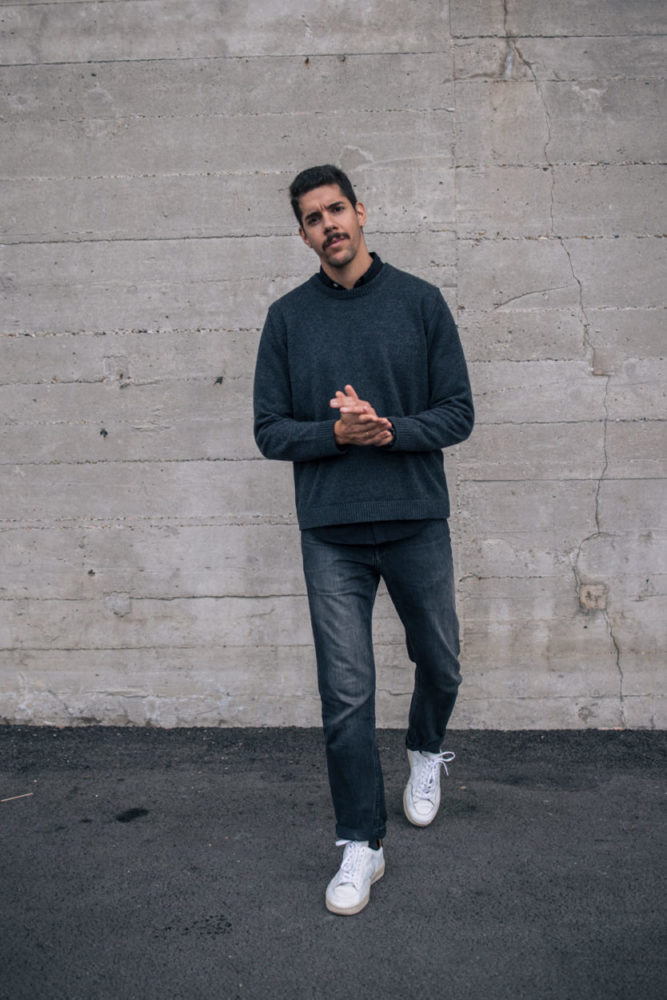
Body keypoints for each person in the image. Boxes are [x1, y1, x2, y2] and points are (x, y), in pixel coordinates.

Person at [253, 164, 474, 916]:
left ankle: (424, 748)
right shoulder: (287, 318)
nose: (329, 226)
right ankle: (361, 843)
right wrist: (336, 435)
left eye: (336, 210)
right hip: (332, 534)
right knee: (346, 695)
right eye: (313, 218)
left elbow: (457, 412)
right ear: (303, 234)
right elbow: (269, 430)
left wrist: (388, 430)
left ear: (361, 212)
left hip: (415, 519)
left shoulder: (420, 302)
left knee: (441, 662)